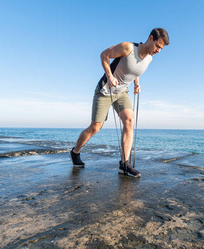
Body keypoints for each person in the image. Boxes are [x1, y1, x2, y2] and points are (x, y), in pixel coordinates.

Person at [69, 28, 169, 177]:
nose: (159, 51)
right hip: (105, 91)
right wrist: (109, 76)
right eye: (158, 46)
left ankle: (124, 164)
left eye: (161, 48)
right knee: (96, 127)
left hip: (121, 92)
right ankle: (75, 152)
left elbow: (136, 70)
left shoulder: (149, 58)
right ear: (150, 39)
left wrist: (136, 84)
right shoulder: (128, 48)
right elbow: (104, 54)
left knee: (129, 120)